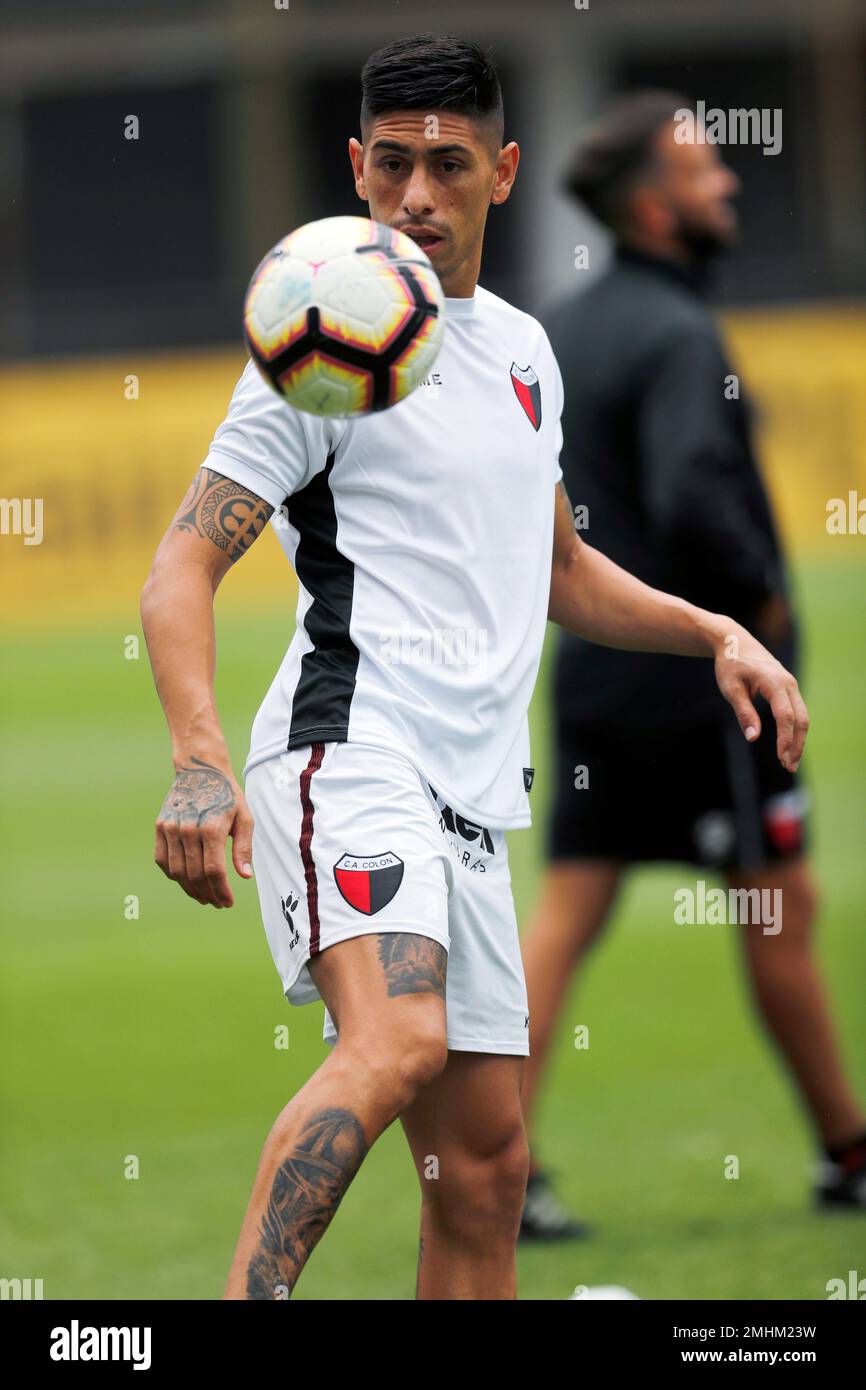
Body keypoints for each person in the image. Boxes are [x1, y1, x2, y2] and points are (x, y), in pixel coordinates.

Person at [141, 47, 808, 1300]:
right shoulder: (314, 338)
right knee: (395, 1039)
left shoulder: (520, 352)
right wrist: (196, 760)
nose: (415, 196)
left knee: (489, 1166)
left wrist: (715, 629)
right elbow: (177, 573)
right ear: (355, 168)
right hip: (349, 752)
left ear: (502, 174)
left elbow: (559, 569)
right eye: (390, 164)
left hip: (471, 799)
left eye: (448, 166)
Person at [518, 91, 864, 1242]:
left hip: (594, 665)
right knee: (779, 902)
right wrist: (753, 611)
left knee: (567, 908)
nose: (725, 182)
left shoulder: (565, 324)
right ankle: (845, 1152)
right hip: (700, 680)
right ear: (655, 206)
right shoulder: (677, 333)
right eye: (705, 169)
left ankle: (495, 1164)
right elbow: (693, 494)